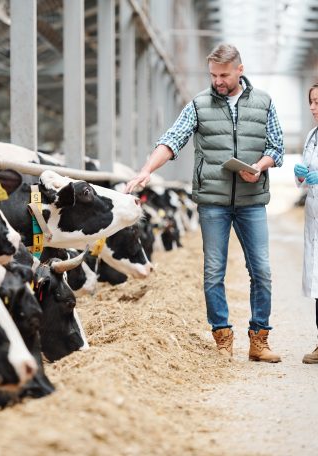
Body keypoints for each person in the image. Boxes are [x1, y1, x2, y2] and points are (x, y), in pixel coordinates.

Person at [125, 43, 284, 362]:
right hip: (213, 202)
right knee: (214, 270)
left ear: (240, 70)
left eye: (224, 75)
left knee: (262, 271)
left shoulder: (264, 102)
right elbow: (172, 140)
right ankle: (222, 337)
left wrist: (260, 166)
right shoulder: (199, 104)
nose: (218, 81)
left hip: (252, 200)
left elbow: (276, 146)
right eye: (213, 75)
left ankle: (259, 340)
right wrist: (146, 170)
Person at [293, 82, 318, 364]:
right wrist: (301, 176)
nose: (312, 108)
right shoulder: (312, 135)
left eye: (317, 102)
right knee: (317, 289)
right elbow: (305, 179)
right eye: (311, 102)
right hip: (314, 219)